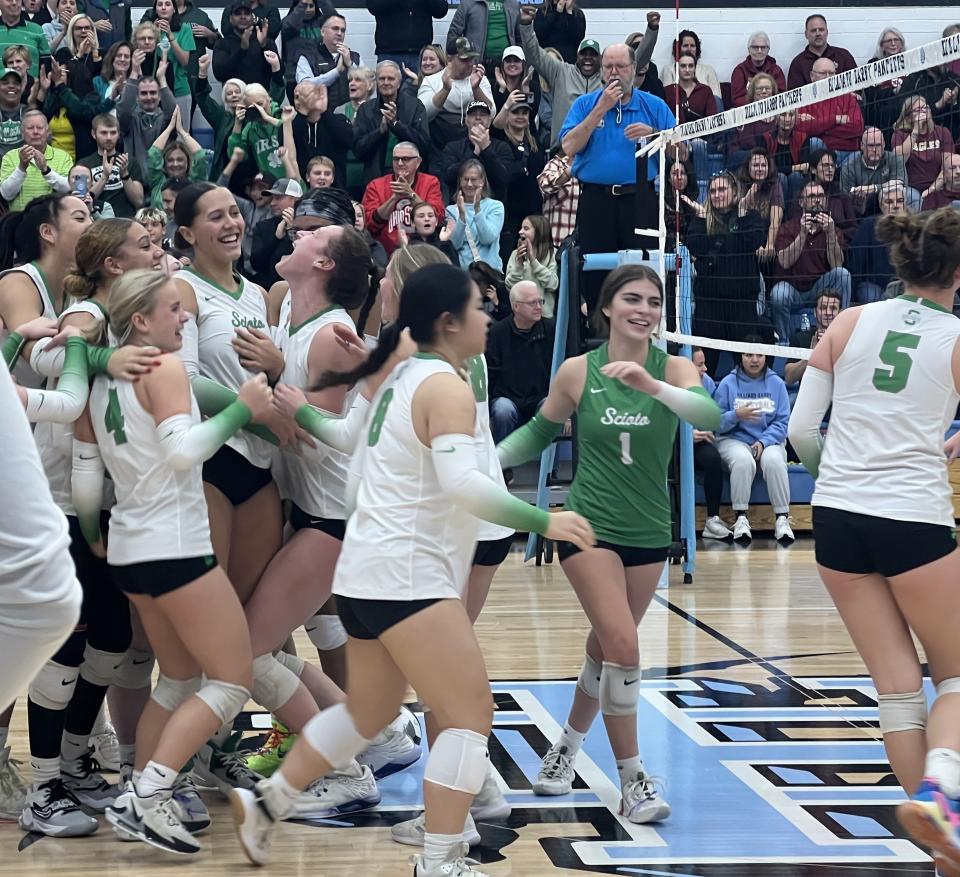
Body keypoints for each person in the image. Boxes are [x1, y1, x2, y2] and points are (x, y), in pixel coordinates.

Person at [229, 262, 591, 877]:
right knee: (472, 714)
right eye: (480, 308)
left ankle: (269, 802)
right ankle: (443, 860)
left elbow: (346, 438)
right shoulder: (442, 387)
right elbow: (467, 486)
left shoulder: (395, 378)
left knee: (366, 715)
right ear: (448, 322)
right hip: (409, 575)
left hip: (364, 574)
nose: (489, 317)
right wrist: (544, 520)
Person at [497, 264, 721, 823]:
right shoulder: (578, 371)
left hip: (649, 530)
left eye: (652, 301)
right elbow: (540, 432)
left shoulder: (672, 367)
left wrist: (656, 386)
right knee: (624, 645)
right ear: (606, 307)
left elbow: (708, 414)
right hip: (588, 526)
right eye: (631, 299)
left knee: (605, 648)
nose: (643, 310)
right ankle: (634, 780)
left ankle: (565, 749)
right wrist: (484, 462)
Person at [786, 207, 960, 876]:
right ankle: (940, 789)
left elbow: (803, 431)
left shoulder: (849, 321)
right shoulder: (953, 337)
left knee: (895, 686)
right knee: (955, 676)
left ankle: (941, 848)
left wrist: (847, 478)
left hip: (835, 518)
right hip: (912, 518)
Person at [74, 270, 269, 855]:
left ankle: (141, 786)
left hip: (130, 548)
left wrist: (95, 536)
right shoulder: (162, 369)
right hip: (177, 548)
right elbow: (184, 451)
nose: (184, 317)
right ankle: (146, 797)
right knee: (231, 680)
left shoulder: (101, 381)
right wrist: (242, 409)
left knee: (179, 680)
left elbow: (87, 483)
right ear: (140, 320)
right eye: (174, 309)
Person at [170, 182, 299, 790]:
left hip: (261, 470)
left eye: (233, 213)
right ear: (188, 233)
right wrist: (259, 412)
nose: (230, 223)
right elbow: (188, 380)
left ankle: (215, 744)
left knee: (246, 628)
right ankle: (184, 763)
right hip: (213, 463)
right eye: (214, 216)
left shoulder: (256, 294)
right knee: (208, 628)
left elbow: (278, 379)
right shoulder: (182, 291)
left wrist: (276, 382)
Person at [559, 42, 675, 312]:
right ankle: (601, 338)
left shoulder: (654, 106)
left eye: (620, 66)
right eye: (608, 67)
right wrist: (600, 109)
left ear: (633, 70)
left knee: (642, 273)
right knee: (597, 274)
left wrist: (655, 134)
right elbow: (568, 147)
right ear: (601, 71)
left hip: (640, 200)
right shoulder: (585, 104)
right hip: (596, 201)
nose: (614, 73)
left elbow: (683, 149)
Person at [683, 171, 770, 377]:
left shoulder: (749, 217)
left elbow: (754, 240)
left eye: (722, 189)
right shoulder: (701, 219)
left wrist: (739, 216)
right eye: (712, 190)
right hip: (709, 304)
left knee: (748, 365)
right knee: (706, 367)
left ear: (734, 192)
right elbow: (694, 245)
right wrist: (704, 220)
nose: (717, 194)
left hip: (742, 304)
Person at [714, 343, 793, 544]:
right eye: (749, 355)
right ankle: (741, 518)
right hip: (733, 439)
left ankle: (782, 519)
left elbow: (783, 422)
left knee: (774, 460)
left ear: (766, 357)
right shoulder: (727, 383)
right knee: (743, 460)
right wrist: (735, 415)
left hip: (769, 441)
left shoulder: (777, 384)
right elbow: (717, 423)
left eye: (759, 355)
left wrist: (764, 442)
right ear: (741, 356)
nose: (754, 359)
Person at [770, 179, 851, 344]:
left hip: (821, 289)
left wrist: (830, 234)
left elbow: (837, 264)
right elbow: (784, 262)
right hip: (793, 290)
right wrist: (802, 234)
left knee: (843, 275)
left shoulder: (833, 229)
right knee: (778, 293)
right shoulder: (788, 227)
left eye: (821, 196)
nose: (817, 200)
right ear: (801, 202)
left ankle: (842, 333)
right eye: (812, 196)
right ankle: (784, 342)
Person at [485, 277, 554, 443]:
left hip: (541, 397)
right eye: (532, 303)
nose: (539, 307)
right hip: (508, 398)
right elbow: (490, 374)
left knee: (551, 406)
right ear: (515, 306)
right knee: (502, 410)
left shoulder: (552, 329)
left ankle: (548, 466)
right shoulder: (497, 333)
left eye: (540, 301)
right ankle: (502, 463)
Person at [353, 60, 431, 186]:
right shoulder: (366, 109)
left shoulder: (415, 106)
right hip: (376, 180)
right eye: (382, 79)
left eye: (391, 78)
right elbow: (358, 151)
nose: (386, 82)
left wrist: (396, 124)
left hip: (411, 179)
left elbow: (423, 144)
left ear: (399, 83)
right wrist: (380, 131)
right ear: (376, 83)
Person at [362, 141, 445, 257]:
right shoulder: (376, 185)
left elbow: (438, 217)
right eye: (396, 159)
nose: (400, 163)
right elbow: (369, 224)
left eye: (406, 159)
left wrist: (410, 194)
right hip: (386, 253)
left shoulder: (430, 182)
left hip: (423, 251)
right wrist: (393, 198)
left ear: (418, 162)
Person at [417, 37, 494, 151]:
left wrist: (476, 89)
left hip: (473, 145)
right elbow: (422, 116)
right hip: (440, 145)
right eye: (464, 60)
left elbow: (491, 114)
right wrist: (445, 90)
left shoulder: (480, 79)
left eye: (472, 59)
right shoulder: (432, 81)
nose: (470, 64)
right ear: (449, 59)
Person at [434, 99, 518, 203]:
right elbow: (448, 177)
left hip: (493, 210)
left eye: (483, 114)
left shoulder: (502, 147)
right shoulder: (453, 147)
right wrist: (474, 154)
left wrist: (486, 149)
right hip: (459, 208)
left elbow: (504, 179)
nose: (478, 117)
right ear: (466, 120)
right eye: (473, 114)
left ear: (490, 120)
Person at [848, 179, 912, 304]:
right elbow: (855, 263)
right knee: (870, 296)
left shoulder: (913, 226)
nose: (895, 205)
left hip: (904, 285)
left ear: (905, 204)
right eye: (889, 202)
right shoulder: (868, 225)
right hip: (873, 285)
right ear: (881, 206)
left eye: (899, 201)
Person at [117, 51, 175, 182]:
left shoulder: (165, 120)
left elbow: (173, 114)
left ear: (160, 96)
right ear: (136, 97)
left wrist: (162, 79)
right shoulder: (130, 120)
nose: (149, 97)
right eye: (144, 93)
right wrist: (133, 73)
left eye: (153, 93)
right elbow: (124, 109)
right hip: (134, 182)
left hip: (161, 184)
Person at [690, 347, 729, 539]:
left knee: (713, 459)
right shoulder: (671, 383)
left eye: (704, 363)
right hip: (674, 441)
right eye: (699, 365)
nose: (705, 368)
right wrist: (688, 434)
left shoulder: (707, 383)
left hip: (700, 442)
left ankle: (712, 520)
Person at [0, 109, 72, 210]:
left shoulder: (63, 156)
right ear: (22, 133)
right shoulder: (10, 156)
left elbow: (70, 189)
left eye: (40, 128)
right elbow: (6, 194)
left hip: (51, 220)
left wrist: (46, 171)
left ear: (48, 132)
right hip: (20, 221)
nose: (35, 132)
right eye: (30, 128)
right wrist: (21, 168)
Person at [795, 58, 864, 162]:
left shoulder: (847, 97)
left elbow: (857, 127)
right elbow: (803, 128)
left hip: (849, 153)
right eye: (822, 73)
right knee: (814, 142)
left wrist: (820, 127)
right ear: (812, 76)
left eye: (831, 73)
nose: (827, 77)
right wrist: (834, 120)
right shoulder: (804, 98)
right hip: (821, 153)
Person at [77, 112, 143, 218]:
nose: (109, 137)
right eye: (104, 133)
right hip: (96, 222)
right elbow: (80, 201)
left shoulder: (129, 161)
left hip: (125, 222)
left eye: (113, 133)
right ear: (93, 134)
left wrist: (125, 174)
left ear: (118, 134)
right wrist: (104, 177)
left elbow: (139, 201)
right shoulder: (82, 164)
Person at [445, 158, 504, 270]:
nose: (469, 184)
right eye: (465, 179)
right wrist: (461, 216)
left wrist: (477, 210)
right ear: (460, 181)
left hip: (489, 273)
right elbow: (454, 245)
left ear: (482, 181)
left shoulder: (496, 206)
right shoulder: (451, 210)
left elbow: (487, 238)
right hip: (463, 275)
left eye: (474, 179)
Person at [891, 95, 954, 198]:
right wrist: (915, 130)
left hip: (938, 186)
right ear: (908, 117)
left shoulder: (943, 132)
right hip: (911, 188)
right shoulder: (900, 134)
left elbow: (947, 168)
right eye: (917, 110)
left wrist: (930, 190)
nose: (923, 111)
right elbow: (898, 160)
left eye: (925, 107)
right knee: (913, 198)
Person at [840, 126, 911, 217]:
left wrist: (873, 188)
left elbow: (901, 186)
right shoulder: (849, 168)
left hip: (890, 209)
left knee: (910, 197)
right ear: (862, 146)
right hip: (861, 213)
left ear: (884, 145)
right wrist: (858, 200)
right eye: (870, 145)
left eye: (878, 145)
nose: (874, 150)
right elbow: (846, 199)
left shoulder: (895, 159)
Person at [294, 12, 359, 111]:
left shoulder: (354, 57)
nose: (339, 33)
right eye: (335, 28)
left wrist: (350, 64)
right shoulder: (307, 57)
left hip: (347, 115)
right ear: (323, 32)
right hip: (317, 114)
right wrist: (337, 71)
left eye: (343, 30)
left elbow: (366, 85)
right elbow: (304, 87)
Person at [782, 287, 841, 387]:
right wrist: (812, 355)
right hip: (810, 397)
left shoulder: (849, 338)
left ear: (840, 312)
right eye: (823, 308)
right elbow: (789, 377)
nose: (827, 312)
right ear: (814, 312)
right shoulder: (800, 338)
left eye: (833, 308)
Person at [367, 0, 448, 72]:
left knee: (423, 88)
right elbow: (373, 6)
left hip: (420, 55)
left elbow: (441, 11)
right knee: (387, 86)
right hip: (389, 54)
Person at [280, 0, 334, 102]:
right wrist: (302, 4)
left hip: (320, 75)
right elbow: (287, 26)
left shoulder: (322, 24)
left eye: (311, 6)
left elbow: (334, 19)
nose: (308, 9)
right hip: (294, 78)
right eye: (304, 6)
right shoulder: (289, 24)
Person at [503, 214, 557, 315]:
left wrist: (533, 261)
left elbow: (553, 285)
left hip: (543, 317)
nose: (520, 232)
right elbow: (510, 286)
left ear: (539, 232)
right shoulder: (515, 254)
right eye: (521, 228)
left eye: (526, 229)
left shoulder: (551, 254)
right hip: (520, 316)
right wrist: (519, 265)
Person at [786, 14, 856, 90]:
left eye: (821, 30)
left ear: (827, 32)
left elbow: (857, 85)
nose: (818, 34)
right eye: (813, 30)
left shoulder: (844, 56)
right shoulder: (798, 63)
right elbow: (795, 95)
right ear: (806, 34)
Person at [445, 0, 520, 68]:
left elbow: (519, 38)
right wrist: (456, 61)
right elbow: (454, 34)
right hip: (476, 64)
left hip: (507, 65)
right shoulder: (468, 3)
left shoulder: (513, 4)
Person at [730, 31, 785, 108]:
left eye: (763, 47)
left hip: (772, 111)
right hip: (748, 113)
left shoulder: (776, 70)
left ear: (768, 50)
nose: (759, 51)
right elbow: (736, 99)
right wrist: (756, 103)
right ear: (749, 49)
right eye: (755, 47)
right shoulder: (740, 71)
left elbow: (782, 97)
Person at [661, 29, 721, 98]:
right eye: (685, 45)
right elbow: (668, 96)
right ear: (678, 48)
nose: (689, 49)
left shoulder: (708, 70)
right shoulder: (668, 69)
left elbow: (716, 98)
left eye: (692, 46)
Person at [532, 0, 585, 65]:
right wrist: (557, 12)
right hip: (547, 62)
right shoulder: (542, 12)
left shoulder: (577, 14)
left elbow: (578, 37)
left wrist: (569, 12)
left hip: (569, 63)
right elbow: (539, 36)